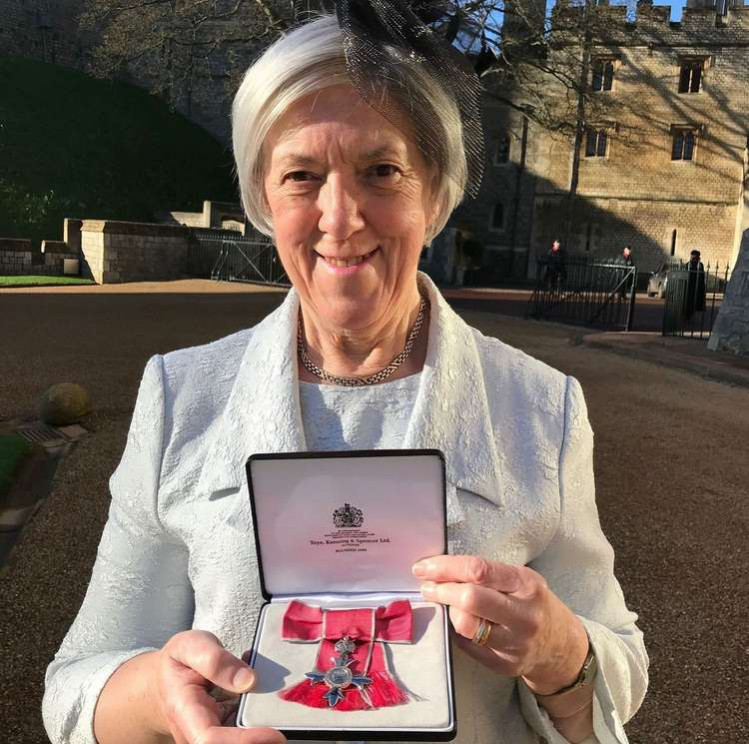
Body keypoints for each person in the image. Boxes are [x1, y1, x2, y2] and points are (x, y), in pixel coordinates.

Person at [42, 4, 648, 744]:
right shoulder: (181, 396)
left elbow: (618, 662)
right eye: (301, 175)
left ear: (434, 192)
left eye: (381, 171)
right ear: (264, 198)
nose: (340, 215)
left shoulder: (540, 407)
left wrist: (561, 653)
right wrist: (153, 695)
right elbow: (79, 678)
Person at [684, 249, 706, 319]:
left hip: (696, 286)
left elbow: (701, 276)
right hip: (689, 286)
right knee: (689, 302)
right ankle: (688, 314)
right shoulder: (688, 264)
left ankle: (690, 314)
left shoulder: (699, 265)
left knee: (693, 302)